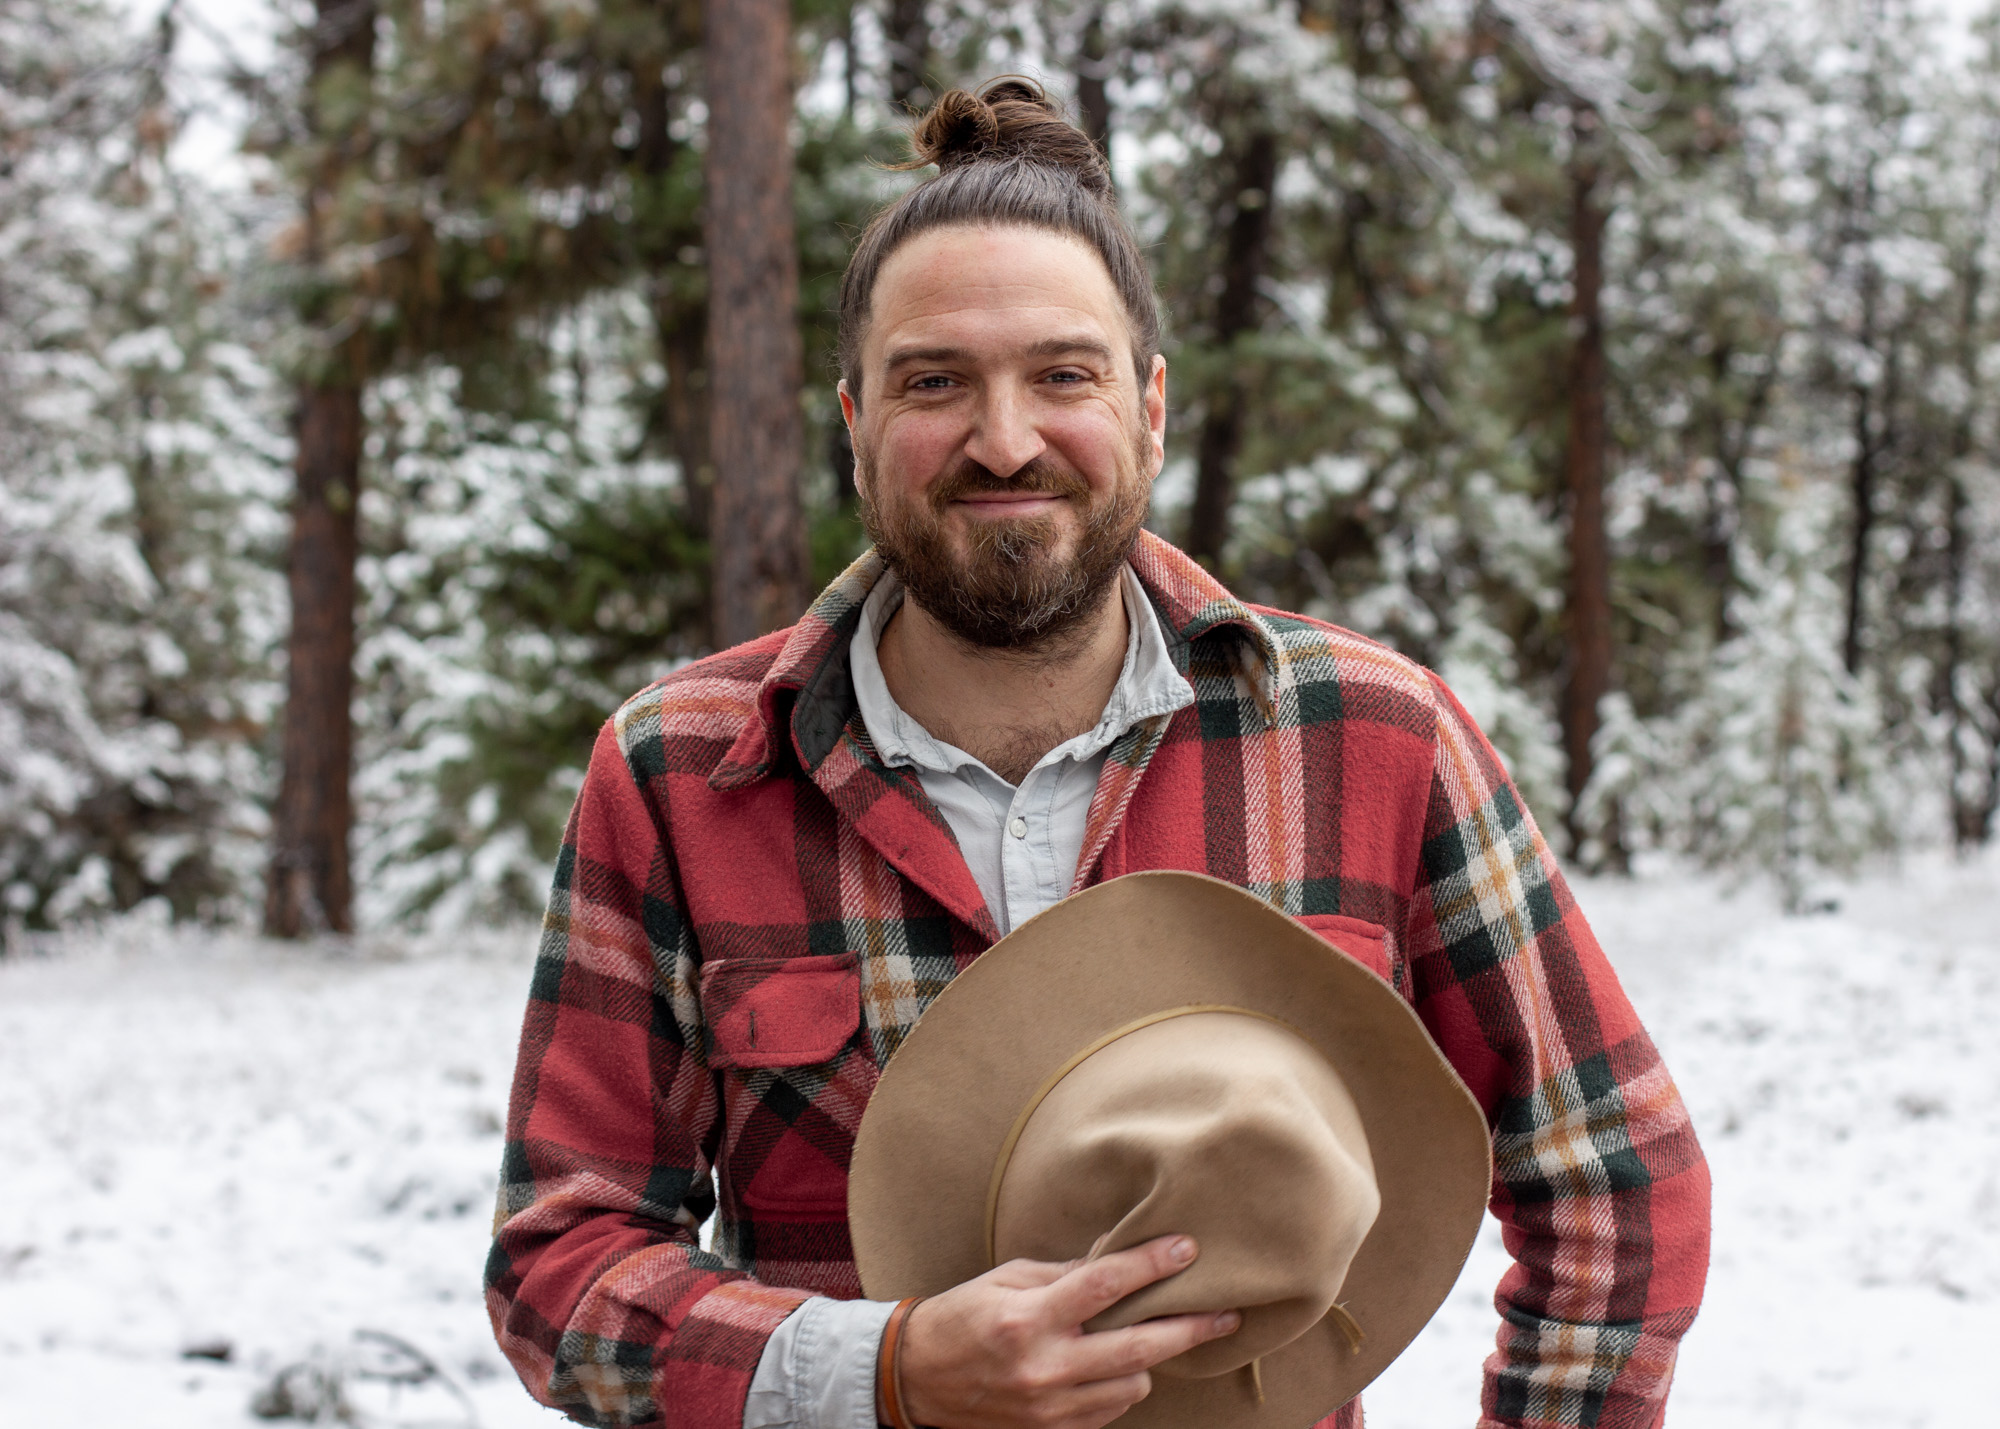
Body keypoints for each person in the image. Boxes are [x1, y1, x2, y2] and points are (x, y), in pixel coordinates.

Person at [486, 78, 1710, 1429]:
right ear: (854, 425)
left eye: (1062, 375)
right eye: (935, 380)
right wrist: (883, 1370)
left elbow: (1616, 1171)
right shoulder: (679, 773)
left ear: (1150, 408)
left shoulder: (1373, 737)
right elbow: (562, 1261)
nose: (1003, 439)